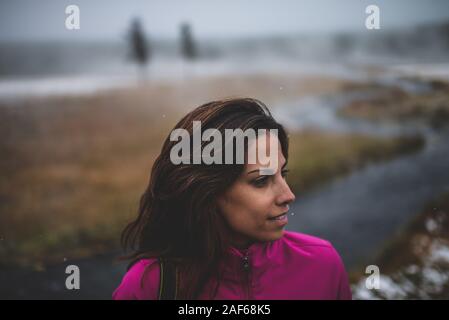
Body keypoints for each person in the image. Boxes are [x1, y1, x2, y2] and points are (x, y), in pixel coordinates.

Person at [113, 98, 352, 300]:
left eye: (283, 173)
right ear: (207, 192)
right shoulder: (148, 287)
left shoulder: (323, 265)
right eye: (261, 181)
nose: (289, 195)